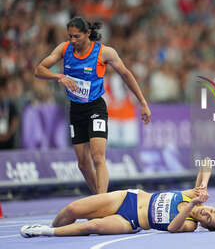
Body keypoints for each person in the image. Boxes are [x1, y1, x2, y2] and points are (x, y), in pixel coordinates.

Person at [34, 17, 151, 194]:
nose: (73, 40)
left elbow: (126, 75)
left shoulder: (104, 52)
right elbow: (39, 70)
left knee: (98, 157)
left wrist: (142, 102)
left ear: (88, 34)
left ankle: (102, 201)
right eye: (70, 36)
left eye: (77, 36)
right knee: (82, 163)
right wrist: (60, 77)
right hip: (75, 110)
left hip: (95, 108)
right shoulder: (64, 49)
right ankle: (99, 198)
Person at [20, 159, 215, 237]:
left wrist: (192, 203)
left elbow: (172, 228)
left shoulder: (190, 225)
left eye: (210, 220)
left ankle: (43, 231)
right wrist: (202, 185)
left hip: (131, 221)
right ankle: (51, 229)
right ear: (210, 206)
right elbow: (207, 161)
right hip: (127, 198)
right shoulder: (195, 195)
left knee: (92, 226)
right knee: (72, 210)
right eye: (212, 211)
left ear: (205, 225)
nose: (208, 214)